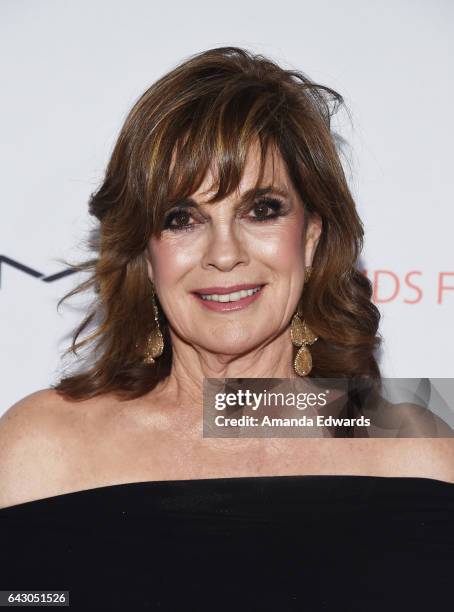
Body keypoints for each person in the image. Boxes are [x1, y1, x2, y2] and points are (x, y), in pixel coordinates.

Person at [0, 46, 453, 611]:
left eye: (261, 210)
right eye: (182, 218)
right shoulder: (39, 446)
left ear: (311, 235)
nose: (223, 254)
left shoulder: (416, 450)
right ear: (145, 250)